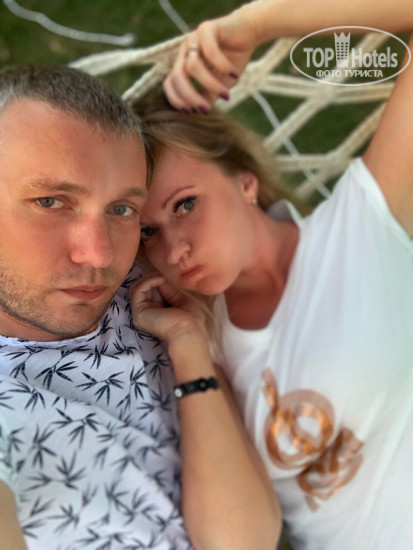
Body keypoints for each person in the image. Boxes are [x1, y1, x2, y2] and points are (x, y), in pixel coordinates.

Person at [131, 1, 413, 548]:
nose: (175, 248)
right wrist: (189, 344)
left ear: (245, 182)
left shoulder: (360, 222)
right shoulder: (201, 345)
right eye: (148, 232)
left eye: (186, 204)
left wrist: (256, 24)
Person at [0, 64, 280, 550]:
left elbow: (244, 540)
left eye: (122, 210)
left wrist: (189, 344)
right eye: (50, 202)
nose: (99, 255)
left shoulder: (148, 288)